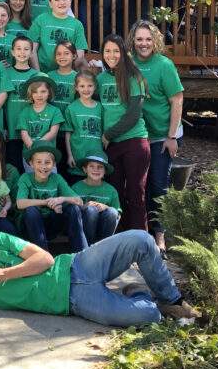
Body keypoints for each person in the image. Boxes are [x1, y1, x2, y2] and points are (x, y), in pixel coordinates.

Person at [0, 221, 197, 326]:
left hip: (76, 265)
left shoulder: (1, 240)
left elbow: (46, 259)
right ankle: (137, 293)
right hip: (74, 301)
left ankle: (172, 299)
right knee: (149, 316)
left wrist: (6, 274)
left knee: (140, 239)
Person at [127, 20, 184, 254]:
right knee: (139, 185)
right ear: (133, 41)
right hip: (138, 134)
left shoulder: (164, 65)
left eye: (148, 39)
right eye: (139, 39)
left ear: (156, 41)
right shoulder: (129, 63)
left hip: (163, 134)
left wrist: (171, 137)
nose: (143, 44)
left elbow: (177, 100)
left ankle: (160, 236)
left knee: (158, 185)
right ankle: (141, 234)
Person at [99, 35, 151, 233]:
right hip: (112, 146)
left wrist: (108, 135)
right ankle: (119, 240)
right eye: (107, 51)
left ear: (123, 53)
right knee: (115, 193)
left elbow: (133, 115)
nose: (111, 55)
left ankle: (141, 240)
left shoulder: (133, 77)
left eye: (115, 51)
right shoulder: (101, 79)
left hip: (134, 142)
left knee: (136, 193)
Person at [14, 141, 86, 252]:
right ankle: (43, 255)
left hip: (51, 224)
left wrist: (62, 199)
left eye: (47, 162)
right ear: (31, 164)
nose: (43, 166)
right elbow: (20, 203)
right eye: (38, 162)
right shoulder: (26, 178)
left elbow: (79, 201)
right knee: (30, 210)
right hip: (31, 227)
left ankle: (80, 253)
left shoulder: (56, 178)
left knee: (74, 209)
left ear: (53, 165)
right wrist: (46, 202)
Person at [28, 0, 87, 71]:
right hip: (43, 72)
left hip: (66, 73)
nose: (62, 2)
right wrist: (39, 74)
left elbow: (80, 55)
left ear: (70, 1)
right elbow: (32, 50)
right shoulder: (41, 20)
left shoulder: (77, 24)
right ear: (50, 3)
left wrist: (67, 72)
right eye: (57, 0)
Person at [2, 35, 37, 170]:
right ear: (12, 52)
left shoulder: (36, 76)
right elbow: (2, 103)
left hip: (30, 132)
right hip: (11, 130)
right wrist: (4, 125)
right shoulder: (5, 73)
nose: (22, 52)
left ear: (31, 52)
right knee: (14, 168)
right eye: (18, 49)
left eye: (26, 49)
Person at [71, 156, 122, 245]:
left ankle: (104, 245)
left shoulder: (111, 190)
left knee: (112, 212)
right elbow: (70, 211)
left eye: (100, 167)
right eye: (91, 166)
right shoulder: (76, 187)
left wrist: (105, 207)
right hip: (85, 228)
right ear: (84, 169)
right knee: (91, 210)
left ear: (105, 171)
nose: (96, 170)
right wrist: (84, 207)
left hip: (104, 228)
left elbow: (118, 214)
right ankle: (88, 245)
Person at [63, 71, 105, 177]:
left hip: (96, 158)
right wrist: (70, 155)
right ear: (76, 87)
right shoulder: (71, 108)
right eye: (82, 86)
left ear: (95, 86)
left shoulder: (101, 108)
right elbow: (68, 134)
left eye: (89, 85)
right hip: (78, 156)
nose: (86, 89)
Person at [17, 74, 65, 155]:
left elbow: (53, 132)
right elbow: (24, 133)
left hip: (48, 153)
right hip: (29, 153)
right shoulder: (25, 112)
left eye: (43, 91)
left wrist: (39, 146)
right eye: (35, 92)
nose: (39, 95)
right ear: (30, 94)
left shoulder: (55, 111)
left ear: (49, 92)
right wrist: (33, 148)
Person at [50, 41, 78, 115]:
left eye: (66, 53)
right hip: (51, 119)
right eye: (59, 54)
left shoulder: (78, 77)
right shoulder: (49, 76)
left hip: (70, 118)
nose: (62, 56)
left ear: (74, 56)